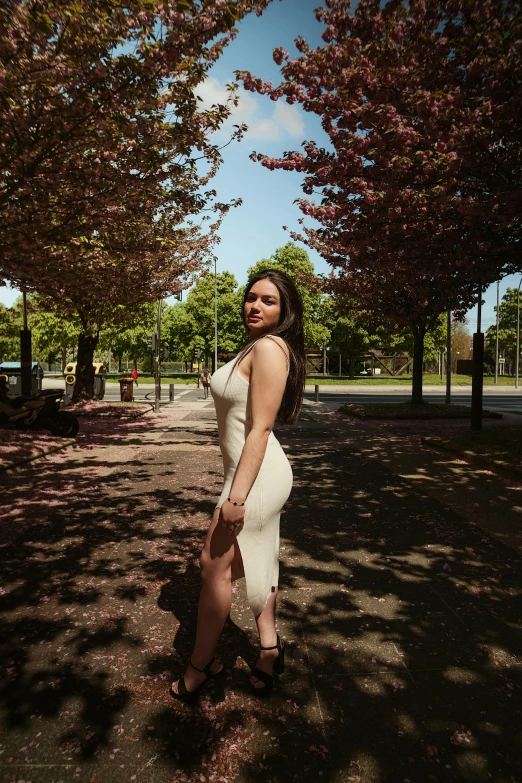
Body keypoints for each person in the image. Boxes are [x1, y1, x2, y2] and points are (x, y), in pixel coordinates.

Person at [170, 269, 306, 701]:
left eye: (268, 300)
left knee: (213, 566)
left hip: (257, 477)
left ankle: (200, 666)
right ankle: (269, 649)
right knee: (257, 557)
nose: (255, 306)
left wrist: (236, 498)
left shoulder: (269, 348)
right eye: (251, 298)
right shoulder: (258, 347)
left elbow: (261, 430)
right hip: (252, 472)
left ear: (285, 311)